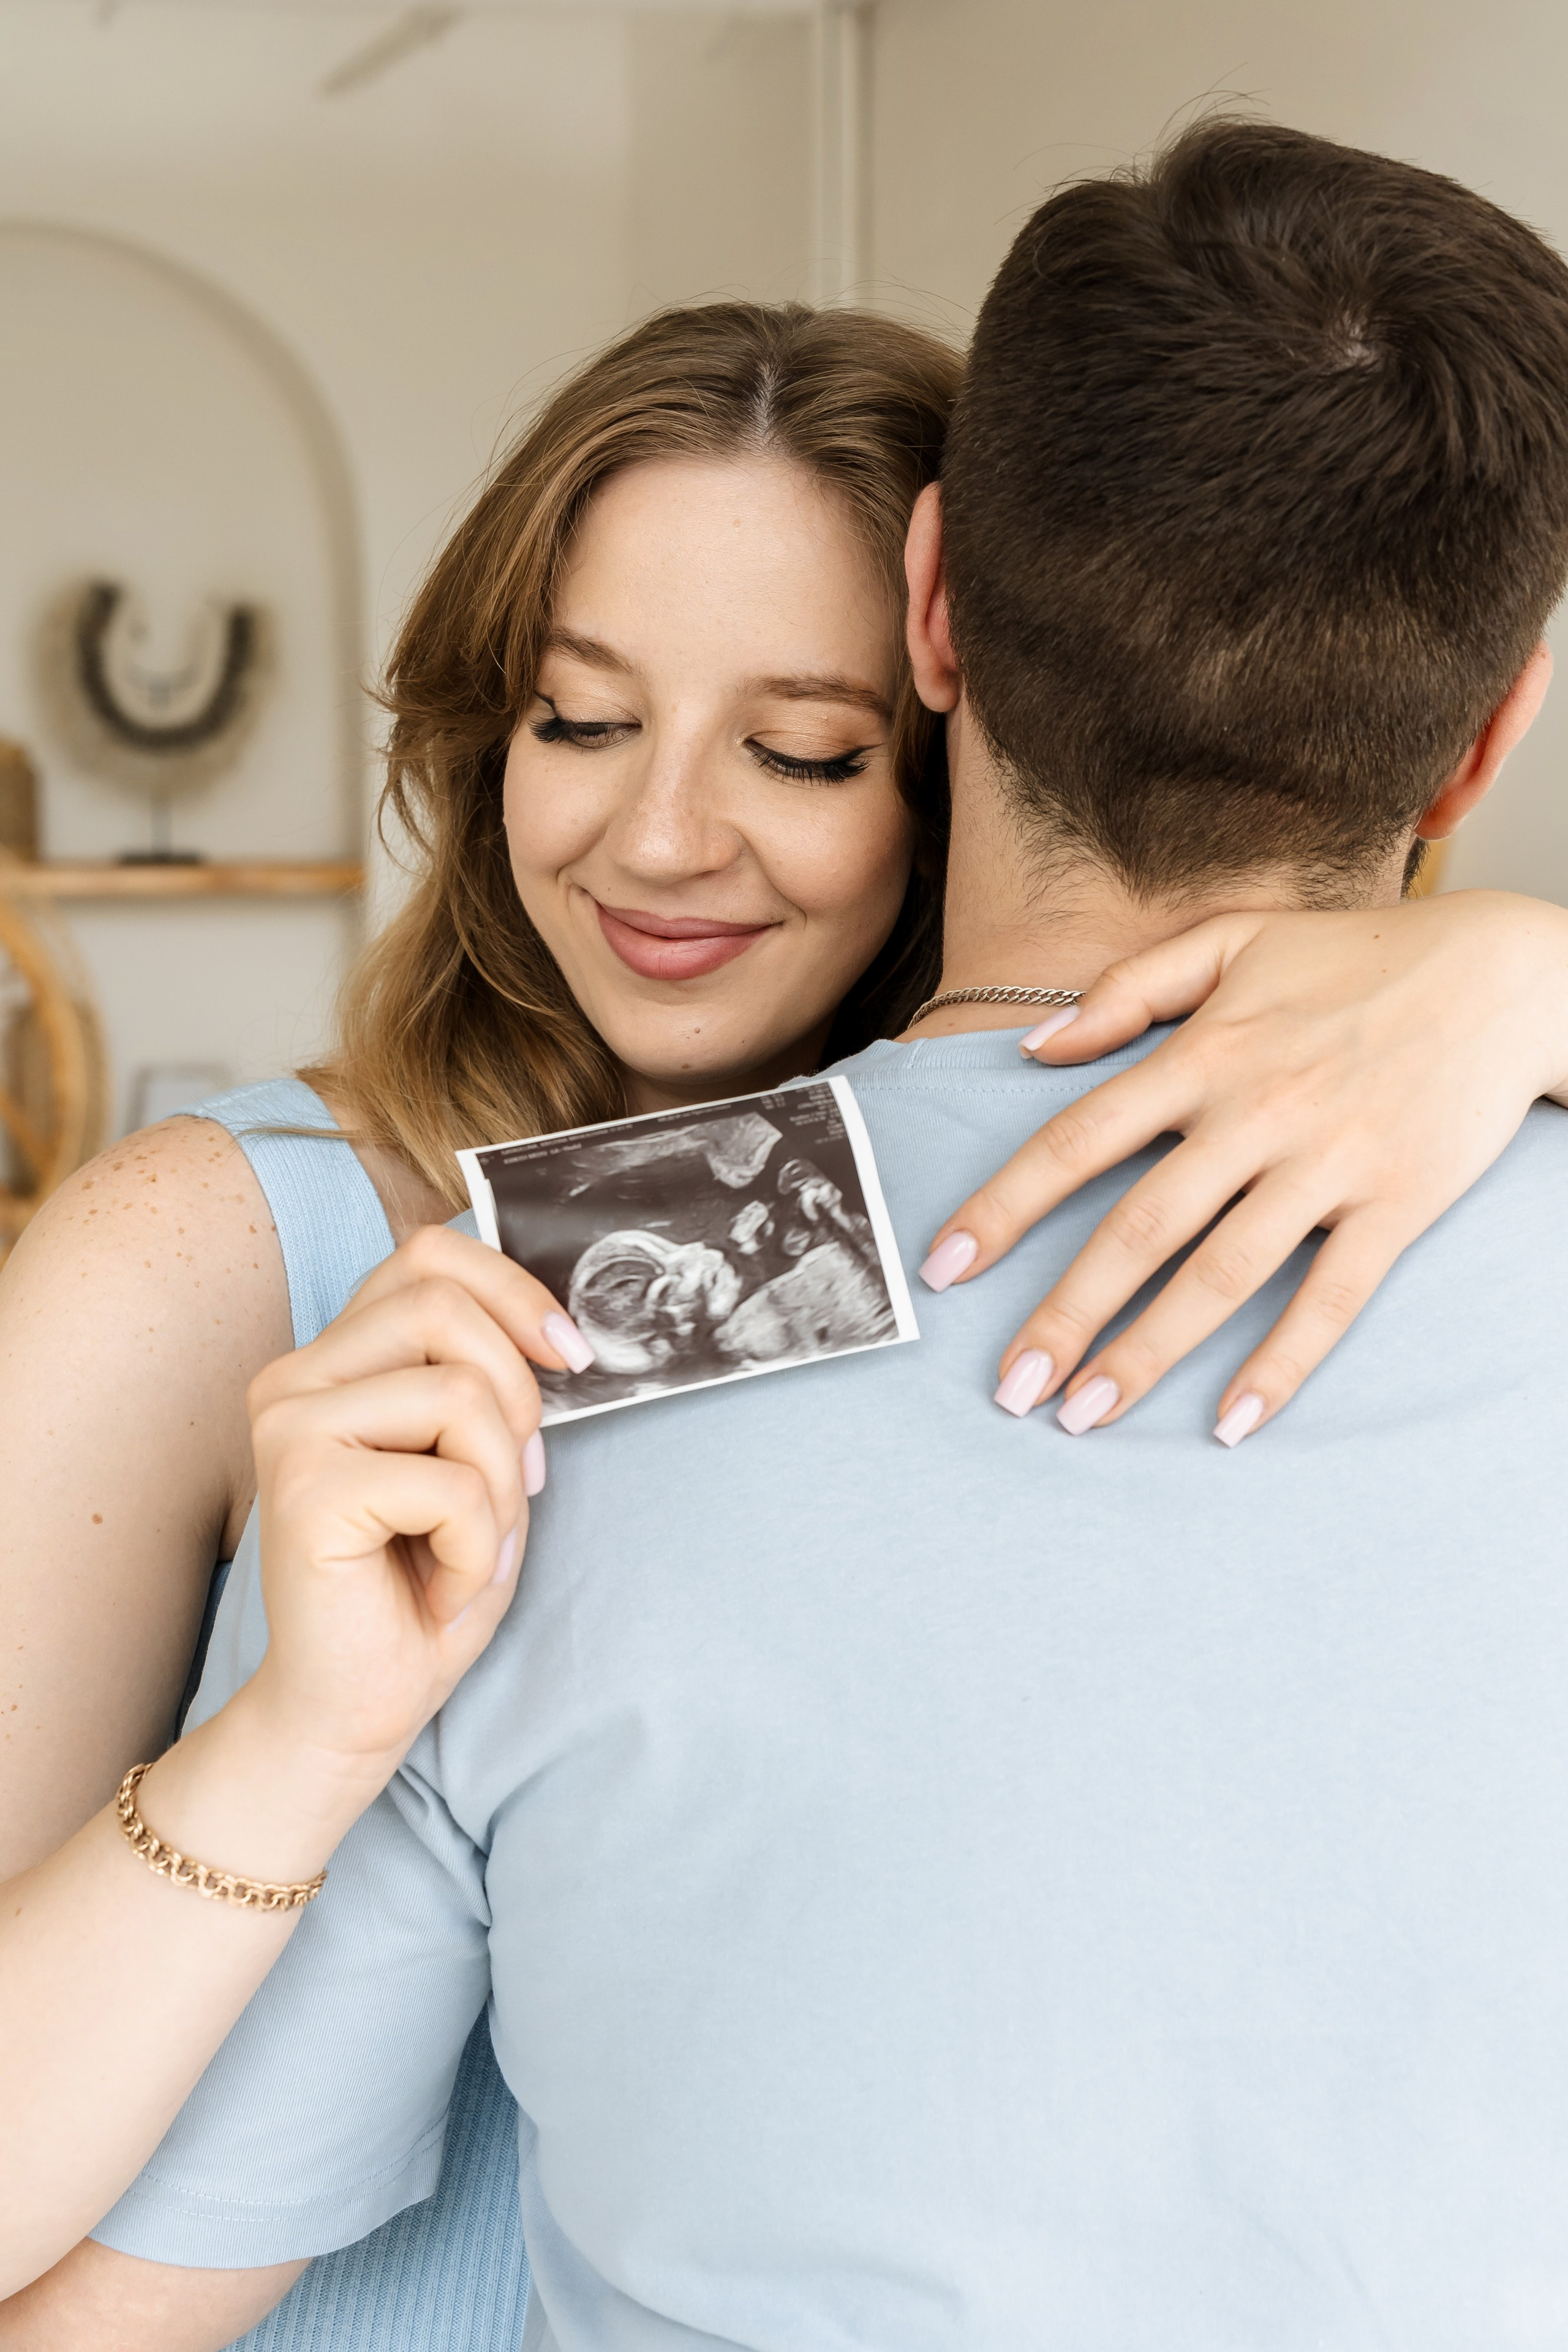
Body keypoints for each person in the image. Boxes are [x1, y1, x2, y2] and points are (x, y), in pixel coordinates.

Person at [15, 116, 1568, 2348]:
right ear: (1489, 736)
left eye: (802, 750)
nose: (664, 836)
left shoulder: (618, 1278)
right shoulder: (382, 1269)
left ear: (942, 633)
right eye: (580, 716)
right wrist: (281, 1742)